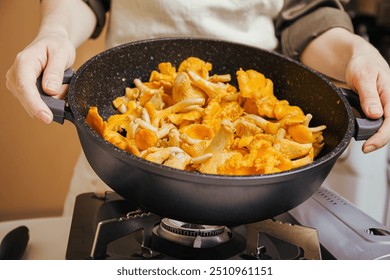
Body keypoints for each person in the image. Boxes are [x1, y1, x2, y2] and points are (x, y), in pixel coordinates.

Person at [6, 0, 390, 216]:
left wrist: (356, 52)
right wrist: (54, 33)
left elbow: (307, 16)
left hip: (254, 192)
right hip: (125, 172)